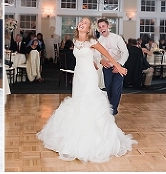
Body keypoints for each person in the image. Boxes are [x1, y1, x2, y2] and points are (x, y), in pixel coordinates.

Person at [37, 17, 134, 163]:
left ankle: (91, 138)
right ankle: (74, 133)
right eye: (81, 21)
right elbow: (92, 57)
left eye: (86, 23)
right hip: (79, 75)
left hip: (89, 76)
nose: (82, 23)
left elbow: (106, 55)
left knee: (89, 101)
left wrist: (118, 66)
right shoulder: (75, 41)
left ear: (89, 29)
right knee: (78, 101)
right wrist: (95, 62)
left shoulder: (93, 41)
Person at [97, 18, 128, 115]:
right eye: (100, 27)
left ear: (108, 27)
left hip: (118, 67)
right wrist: (101, 60)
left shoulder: (117, 38)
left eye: (103, 26)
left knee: (116, 88)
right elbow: (96, 54)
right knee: (109, 88)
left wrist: (119, 65)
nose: (102, 28)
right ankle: (111, 107)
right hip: (107, 68)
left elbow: (125, 52)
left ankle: (113, 109)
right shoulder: (98, 41)